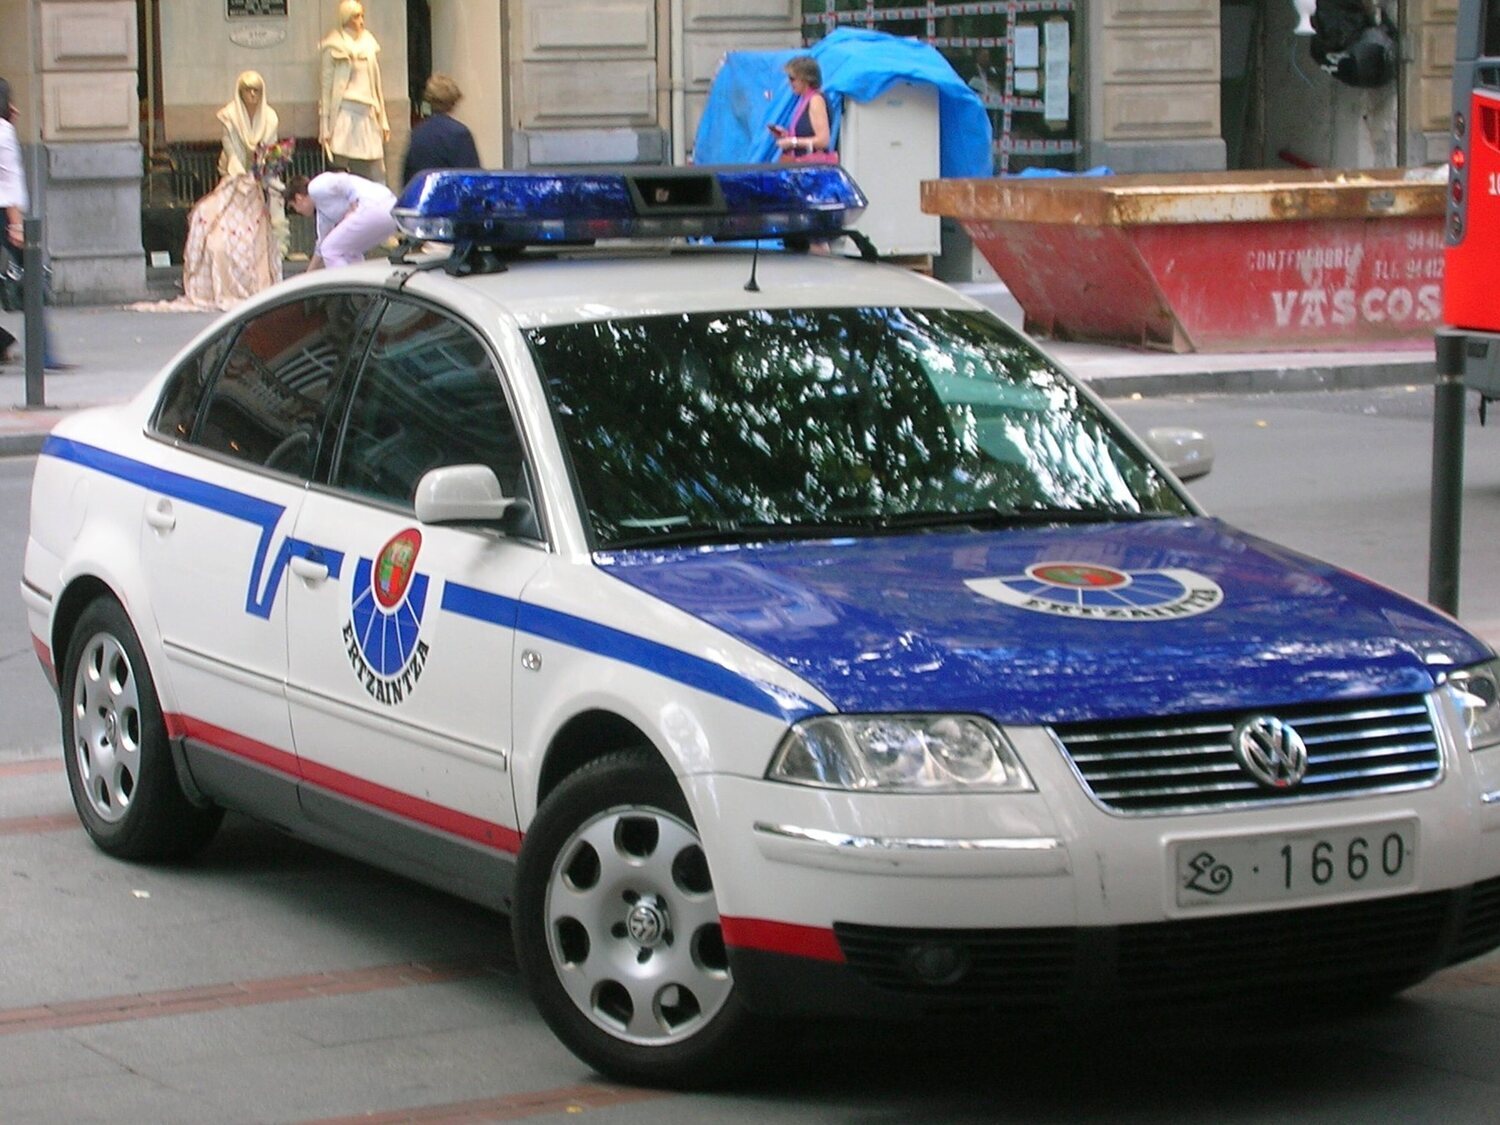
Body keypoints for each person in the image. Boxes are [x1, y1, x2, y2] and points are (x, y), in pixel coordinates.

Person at [179, 71, 284, 311]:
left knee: (257, 245)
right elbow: (232, 152)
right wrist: (240, 176)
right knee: (217, 242)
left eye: (256, 89)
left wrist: (261, 176)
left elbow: (269, 154)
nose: (252, 95)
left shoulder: (270, 118)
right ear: (239, 91)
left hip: (257, 189)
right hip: (233, 184)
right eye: (247, 89)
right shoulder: (228, 116)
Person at [0, 76, 68, 370]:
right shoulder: (3, 132)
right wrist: (16, 224)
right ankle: (44, 354)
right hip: (5, 214)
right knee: (32, 279)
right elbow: (8, 181)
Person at [319, 0, 391, 183]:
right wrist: (325, 126)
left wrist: (383, 120)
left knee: (377, 169)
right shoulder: (333, 45)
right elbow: (326, 89)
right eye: (357, 16)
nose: (361, 20)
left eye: (362, 16)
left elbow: (376, 86)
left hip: (368, 110)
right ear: (347, 18)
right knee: (339, 166)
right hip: (345, 110)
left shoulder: (369, 45)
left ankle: (381, 205)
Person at [285, 170, 398, 270]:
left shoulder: (314, 187)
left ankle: (347, 288)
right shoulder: (324, 213)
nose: (298, 212)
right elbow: (321, 244)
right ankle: (361, 286)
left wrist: (353, 207)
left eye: (294, 208)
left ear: (298, 198)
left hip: (373, 204)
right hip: (390, 212)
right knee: (347, 251)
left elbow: (343, 181)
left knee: (330, 250)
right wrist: (308, 274)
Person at [401, 73, 480, 187]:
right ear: (453, 102)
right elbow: (473, 181)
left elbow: (407, 178)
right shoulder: (460, 134)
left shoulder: (417, 133)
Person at [769, 55, 832, 162]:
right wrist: (787, 135)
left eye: (792, 79)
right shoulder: (804, 100)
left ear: (805, 79)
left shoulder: (815, 100)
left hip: (812, 167)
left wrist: (792, 142)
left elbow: (823, 140)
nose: (789, 83)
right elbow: (808, 133)